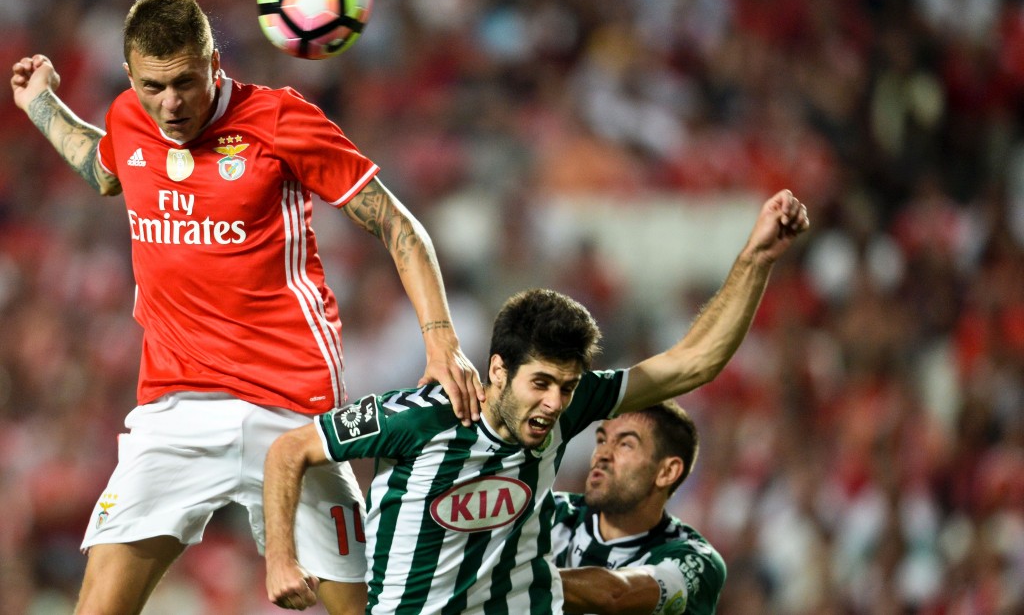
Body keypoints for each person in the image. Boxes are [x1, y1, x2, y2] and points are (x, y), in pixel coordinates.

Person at [9, 0, 483, 615]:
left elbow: (397, 224)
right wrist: (38, 102)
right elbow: (103, 169)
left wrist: (440, 337)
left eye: (185, 82)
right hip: (173, 409)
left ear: (213, 62)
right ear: (130, 76)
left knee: (361, 610)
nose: (170, 103)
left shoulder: (279, 120)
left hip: (289, 404)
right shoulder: (130, 118)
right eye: (153, 86)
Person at [263, 188, 810, 613]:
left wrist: (755, 259)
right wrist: (282, 561)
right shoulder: (421, 415)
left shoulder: (568, 414)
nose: (554, 404)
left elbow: (693, 362)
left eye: (567, 387)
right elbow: (289, 450)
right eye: (541, 383)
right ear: (497, 371)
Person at [552, 401, 725, 614]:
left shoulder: (695, 559)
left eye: (625, 444)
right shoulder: (551, 514)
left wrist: (519, 579)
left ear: (667, 472)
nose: (601, 454)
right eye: (601, 440)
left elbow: (617, 596)